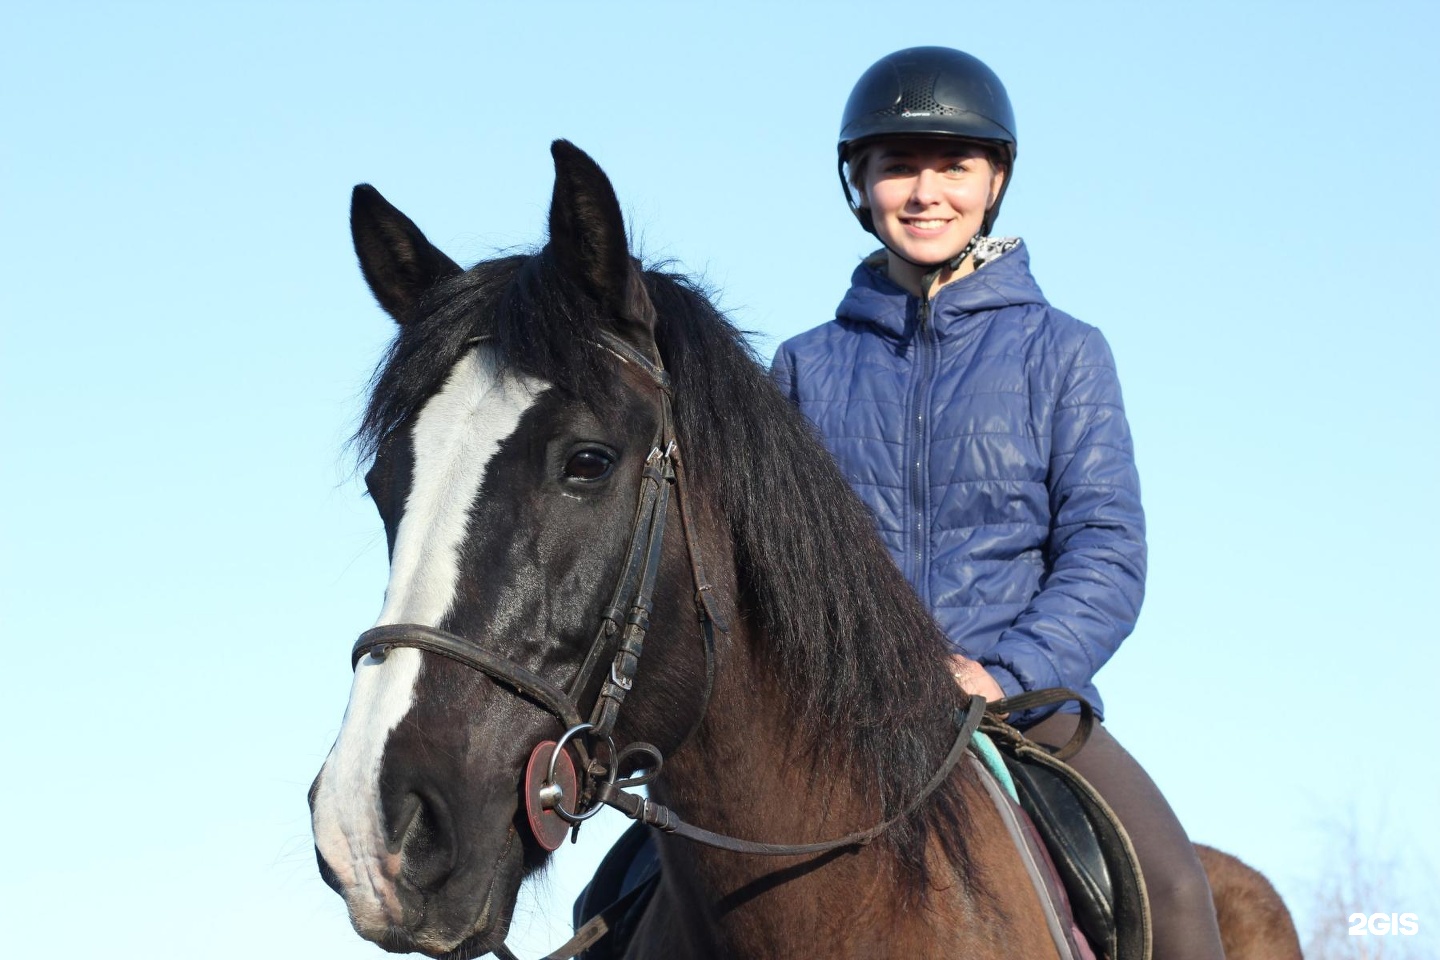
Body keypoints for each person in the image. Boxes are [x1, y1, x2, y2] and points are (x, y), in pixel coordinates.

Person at [770, 46, 1224, 960]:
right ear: (858, 183)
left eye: (955, 166)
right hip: (841, 716)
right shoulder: (802, 367)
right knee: (622, 887)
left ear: (996, 179)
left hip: (1026, 706)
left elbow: (1106, 552)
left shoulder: (1067, 353)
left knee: (1176, 895)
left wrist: (1001, 674)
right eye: (898, 165)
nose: (926, 190)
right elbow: (769, 563)